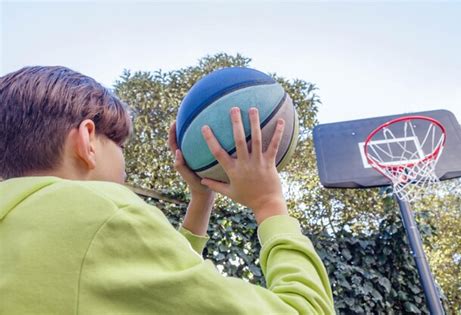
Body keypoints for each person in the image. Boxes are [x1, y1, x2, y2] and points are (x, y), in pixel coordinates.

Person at [0, 66, 334, 314]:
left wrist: (201, 199)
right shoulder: (103, 212)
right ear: (87, 141)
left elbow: (151, 287)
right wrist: (269, 203)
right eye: (119, 146)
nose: (124, 168)